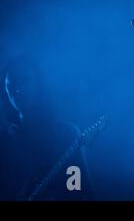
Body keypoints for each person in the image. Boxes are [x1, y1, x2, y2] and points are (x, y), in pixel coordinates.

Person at [0, 57, 94, 201]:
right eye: (11, 84)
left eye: (25, 80)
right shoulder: (5, 144)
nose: (18, 89)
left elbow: (80, 189)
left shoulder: (66, 134)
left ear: (38, 83)